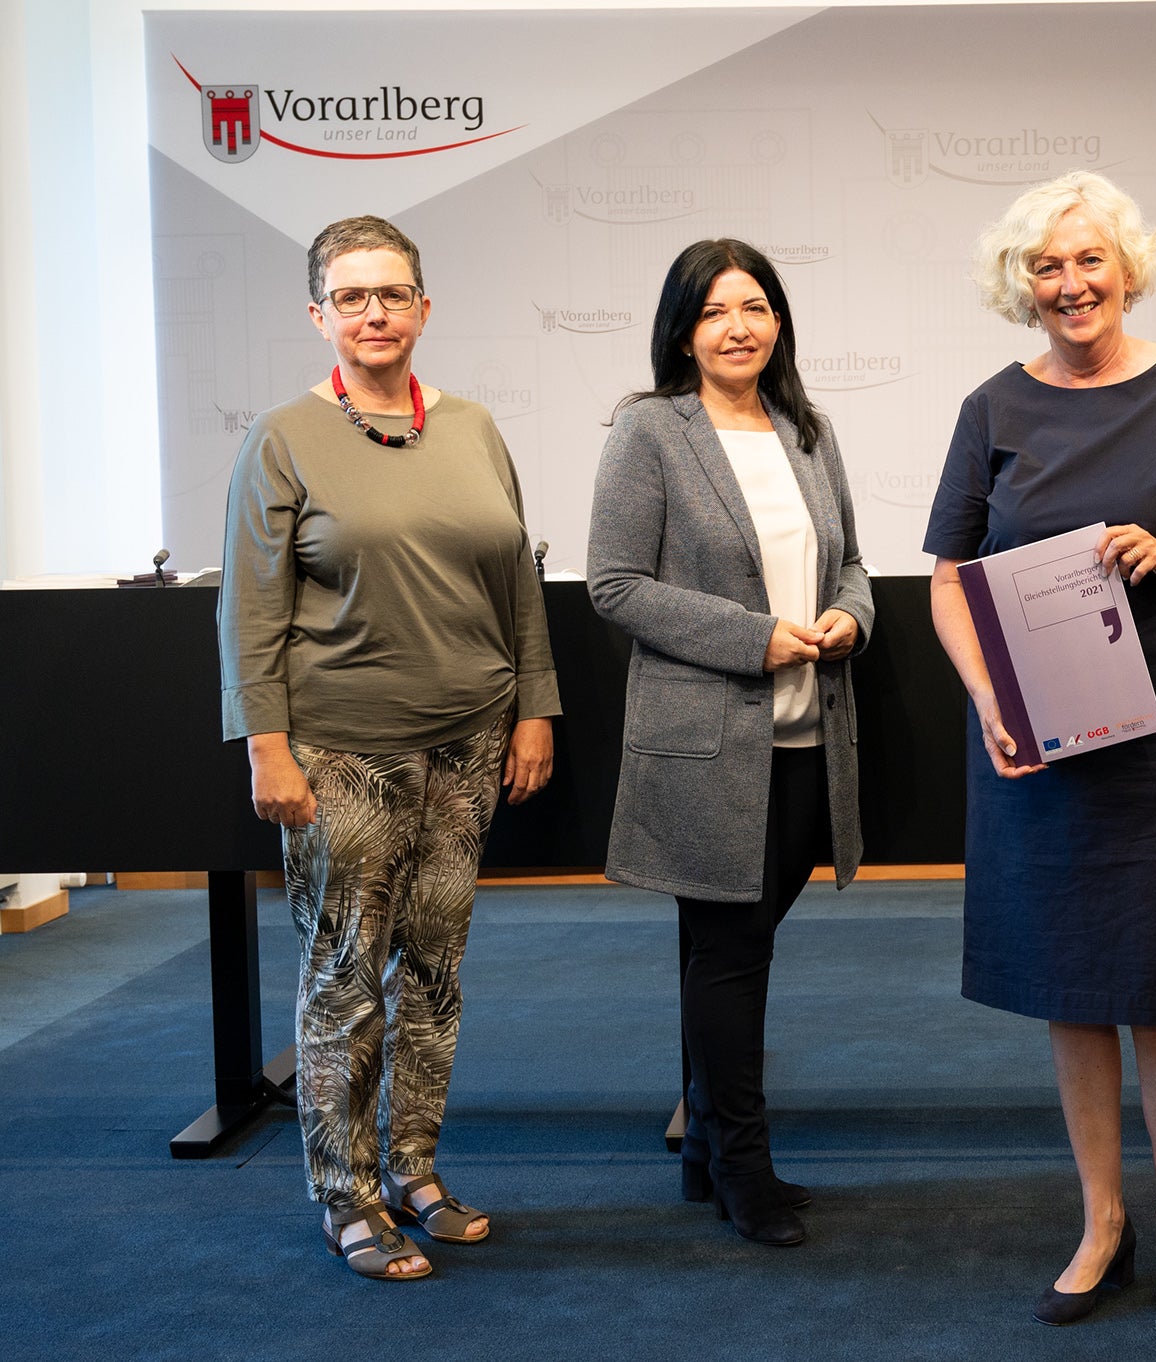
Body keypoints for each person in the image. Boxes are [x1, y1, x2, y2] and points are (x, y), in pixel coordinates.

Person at [925, 171, 1156, 1329]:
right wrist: (988, 702)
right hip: (1040, 742)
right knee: (1070, 987)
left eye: (1087, 261)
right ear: (1019, 284)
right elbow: (947, 581)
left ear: (1125, 267)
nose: (1069, 285)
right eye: (1045, 266)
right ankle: (1101, 1221)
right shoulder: (991, 408)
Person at [219, 215, 560, 1280]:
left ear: (424, 307)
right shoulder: (281, 438)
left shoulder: (471, 427)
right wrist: (265, 747)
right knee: (344, 977)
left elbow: (515, 582)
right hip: (339, 757)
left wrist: (535, 708)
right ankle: (345, 1192)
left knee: (436, 975)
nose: (375, 312)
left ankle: (414, 1168)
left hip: (467, 749)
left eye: (393, 293)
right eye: (352, 296)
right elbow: (250, 610)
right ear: (319, 314)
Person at [586, 239, 871, 1248]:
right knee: (730, 953)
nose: (739, 327)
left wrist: (848, 618)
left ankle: (709, 1150)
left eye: (755, 307)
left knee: (729, 946)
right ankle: (743, 1164)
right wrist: (753, 640)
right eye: (714, 313)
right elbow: (613, 583)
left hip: (807, 742)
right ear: (682, 330)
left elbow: (853, 566)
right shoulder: (649, 431)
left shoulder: (806, 430)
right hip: (702, 746)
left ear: (779, 320)